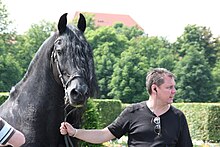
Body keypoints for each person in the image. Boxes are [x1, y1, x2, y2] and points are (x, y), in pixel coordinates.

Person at [60, 68, 193, 146]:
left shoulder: (178, 117)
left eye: (174, 87)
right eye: (169, 87)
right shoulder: (132, 112)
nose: (174, 91)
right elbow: (103, 134)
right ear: (155, 89)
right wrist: (75, 132)